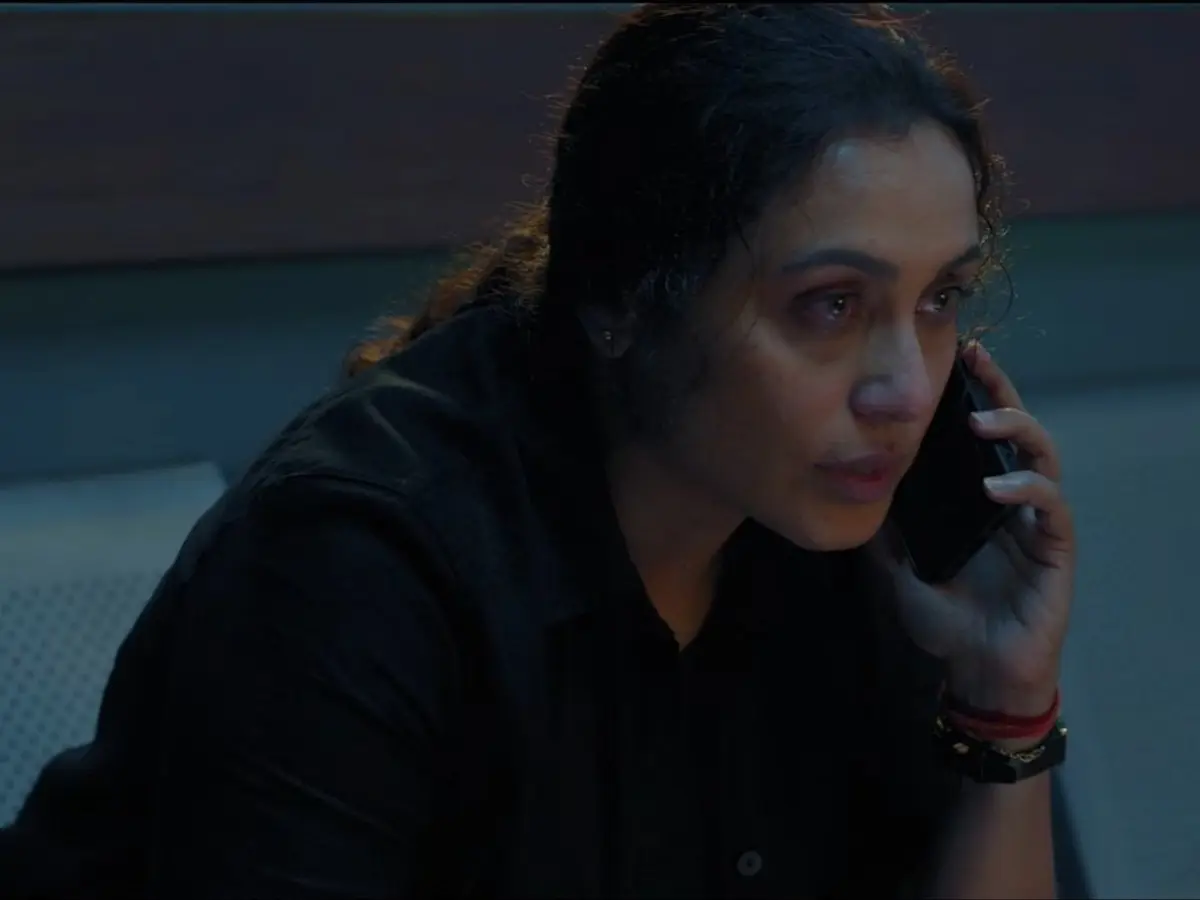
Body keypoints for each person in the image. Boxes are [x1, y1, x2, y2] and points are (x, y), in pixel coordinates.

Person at [0, 3, 1076, 898]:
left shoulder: (842, 529)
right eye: (830, 305)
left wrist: (1003, 698)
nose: (906, 391)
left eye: (939, 299)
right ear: (621, 299)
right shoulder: (352, 561)